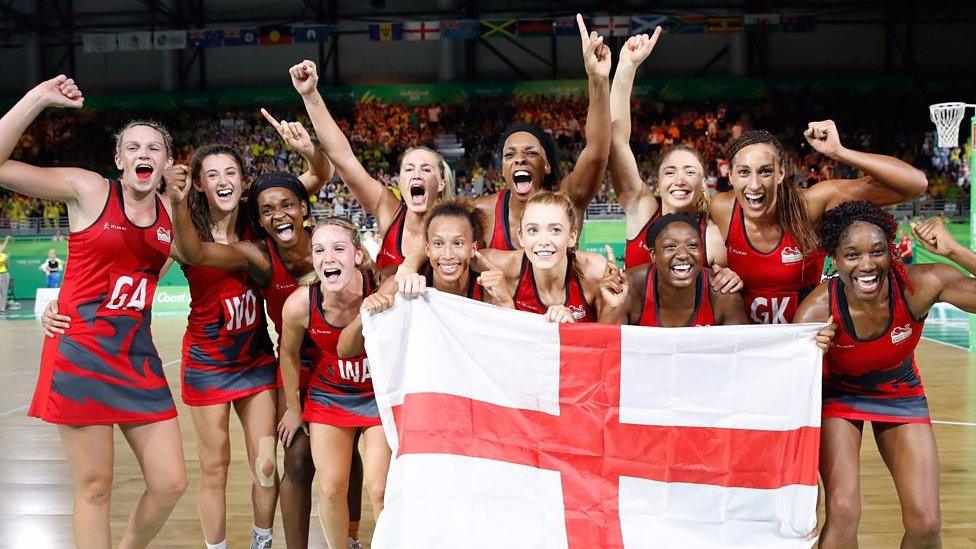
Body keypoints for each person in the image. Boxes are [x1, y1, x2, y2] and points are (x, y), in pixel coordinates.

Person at [42, 113, 333, 549]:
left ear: (243, 180)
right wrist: (60, 304)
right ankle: (216, 546)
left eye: (231, 172)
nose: (222, 180)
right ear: (197, 183)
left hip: (255, 358)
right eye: (211, 174)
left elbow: (313, 179)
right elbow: (134, 270)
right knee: (213, 468)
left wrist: (308, 149)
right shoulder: (181, 229)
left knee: (266, 464)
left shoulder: (261, 217)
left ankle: (261, 540)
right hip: (207, 361)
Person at [0, 75, 188, 548]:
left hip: (136, 358)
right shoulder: (87, 189)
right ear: (119, 159)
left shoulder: (173, 216)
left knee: (170, 483)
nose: (144, 153)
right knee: (95, 486)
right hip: (81, 351)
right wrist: (37, 99)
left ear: (167, 162)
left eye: (155, 147)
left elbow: (206, 258)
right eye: (134, 146)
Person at [795, 202, 976, 548]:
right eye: (852, 255)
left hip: (900, 392)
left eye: (877, 252)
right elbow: (788, 384)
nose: (867, 264)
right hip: (838, 395)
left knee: (926, 523)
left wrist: (955, 250)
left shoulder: (918, 286)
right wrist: (812, 352)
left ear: (891, 253)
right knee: (844, 511)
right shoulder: (817, 310)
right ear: (834, 258)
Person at [711, 124, 928, 324]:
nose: (754, 184)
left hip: (807, 345)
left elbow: (915, 184)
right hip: (746, 348)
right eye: (744, 172)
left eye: (765, 171)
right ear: (730, 176)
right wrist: (718, 273)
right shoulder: (721, 209)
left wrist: (839, 152)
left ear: (781, 173)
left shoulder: (808, 206)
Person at [276, 218, 391, 549]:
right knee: (329, 487)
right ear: (313, 260)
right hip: (329, 396)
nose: (328, 257)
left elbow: (402, 274)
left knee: (380, 488)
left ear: (357, 255)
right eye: (319, 250)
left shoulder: (380, 288)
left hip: (376, 396)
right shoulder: (301, 303)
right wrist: (294, 409)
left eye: (338, 249)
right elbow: (288, 355)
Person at [291, 59, 455, 280]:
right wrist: (310, 95)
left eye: (426, 169)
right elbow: (343, 158)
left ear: (442, 182)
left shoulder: (458, 226)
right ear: (400, 183)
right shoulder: (389, 210)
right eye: (408, 169)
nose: (416, 174)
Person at [479, 15, 611, 251]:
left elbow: (598, 152)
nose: (520, 158)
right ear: (502, 169)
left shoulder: (567, 199)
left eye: (530, 152)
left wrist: (597, 79)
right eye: (510, 155)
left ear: (547, 165)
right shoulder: (482, 213)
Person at [609, 30, 732, 282]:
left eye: (690, 172)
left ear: (703, 183)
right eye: (670, 171)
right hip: (637, 322)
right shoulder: (641, 210)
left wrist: (731, 279)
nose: (679, 179)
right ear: (657, 182)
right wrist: (625, 68)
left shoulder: (712, 236)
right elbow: (617, 140)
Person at [346, 197, 515, 326]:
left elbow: (510, 350)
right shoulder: (400, 285)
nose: (448, 254)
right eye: (438, 244)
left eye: (458, 243)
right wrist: (364, 314)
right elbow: (345, 350)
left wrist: (506, 302)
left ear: (473, 248)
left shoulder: (489, 289)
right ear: (427, 249)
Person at [599, 214, 748, 327]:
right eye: (670, 246)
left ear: (702, 252)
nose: (683, 255)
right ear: (653, 255)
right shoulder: (629, 288)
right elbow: (606, 354)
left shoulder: (721, 291)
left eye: (692, 246)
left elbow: (741, 358)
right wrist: (613, 308)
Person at [0, 235, 10, 314]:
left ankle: (2, 308)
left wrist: (6, 262)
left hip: (5, 274)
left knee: (4, 291)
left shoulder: (4, 255)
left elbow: (7, 266)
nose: (1, 247)